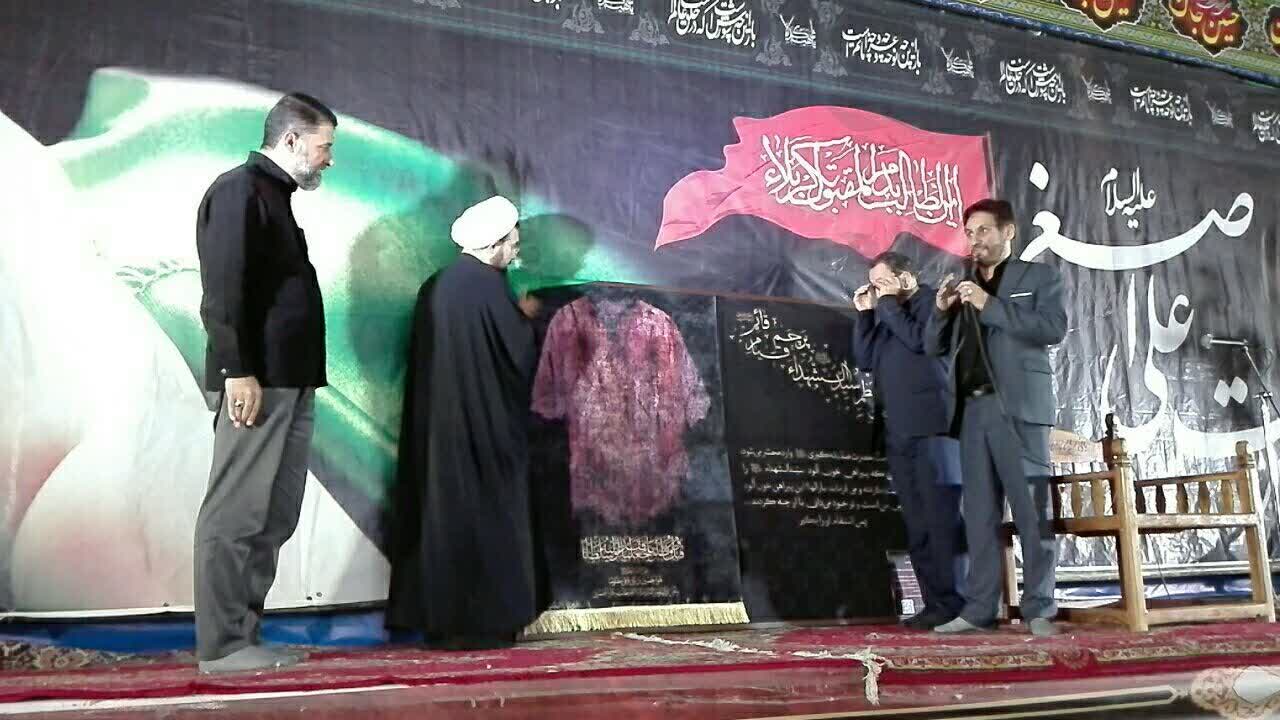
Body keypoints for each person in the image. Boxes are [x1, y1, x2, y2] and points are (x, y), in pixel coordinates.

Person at [193, 93, 336, 672]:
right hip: (258, 381)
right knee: (237, 513)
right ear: (292, 139)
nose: (329, 159)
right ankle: (222, 646)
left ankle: (244, 636)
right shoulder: (239, 191)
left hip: (291, 381)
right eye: (325, 146)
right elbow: (222, 292)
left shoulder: (274, 196)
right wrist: (237, 371)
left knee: (274, 514)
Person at [386, 195, 544, 650]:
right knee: (490, 520)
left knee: (440, 519)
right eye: (512, 242)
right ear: (494, 244)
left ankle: (442, 624)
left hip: (437, 436)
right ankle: (487, 623)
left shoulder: (436, 285)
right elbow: (518, 357)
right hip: (488, 435)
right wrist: (526, 321)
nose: (515, 249)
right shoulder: (492, 288)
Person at [925, 199, 1068, 637]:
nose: (975, 241)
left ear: (1008, 232)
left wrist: (989, 304)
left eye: (983, 231)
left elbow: (1052, 328)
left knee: (1031, 511)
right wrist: (941, 310)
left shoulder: (1039, 277)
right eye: (970, 233)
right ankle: (978, 610)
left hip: (1019, 409)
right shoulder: (962, 285)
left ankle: (1039, 608)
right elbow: (934, 347)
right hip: (973, 412)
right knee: (979, 514)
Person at [851, 251, 966, 630]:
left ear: (905, 277)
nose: (878, 290)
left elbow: (921, 342)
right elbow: (865, 360)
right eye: (874, 284)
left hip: (932, 429)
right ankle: (935, 603)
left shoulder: (934, 304)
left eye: (882, 282)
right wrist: (865, 314)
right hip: (898, 432)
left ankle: (959, 603)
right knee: (917, 524)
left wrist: (885, 305)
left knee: (941, 519)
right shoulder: (888, 313)